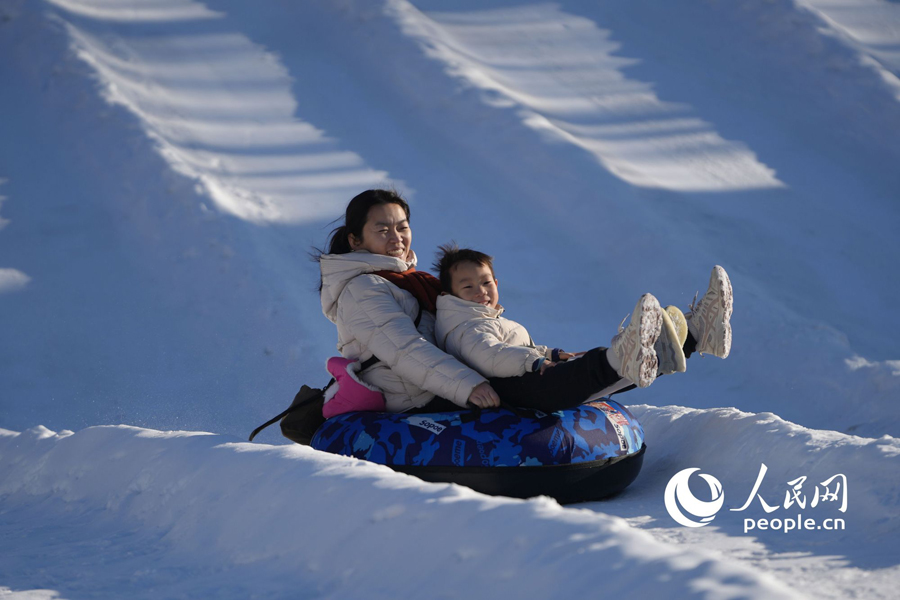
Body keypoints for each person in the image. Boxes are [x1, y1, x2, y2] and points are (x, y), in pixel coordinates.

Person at [433, 244, 732, 411]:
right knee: (593, 367)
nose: (481, 291)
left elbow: (508, 350)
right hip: (507, 395)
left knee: (608, 368)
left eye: (486, 283)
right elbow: (489, 356)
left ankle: (696, 335)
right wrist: (535, 361)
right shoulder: (464, 325)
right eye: (468, 286)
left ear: (496, 284)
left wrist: (551, 353)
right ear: (449, 295)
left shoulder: (485, 319)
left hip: (518, 379)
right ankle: (634, 351)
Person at [317, 189, 500, 415]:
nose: (397, 238)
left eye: (402, 228)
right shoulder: (363, 289)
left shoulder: (413, 282)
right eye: (383, 230)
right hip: (412, 403)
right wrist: (467, 385)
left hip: (440, 389)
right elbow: (405, 349)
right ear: (355, 240)